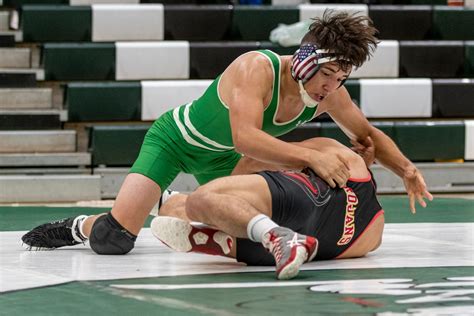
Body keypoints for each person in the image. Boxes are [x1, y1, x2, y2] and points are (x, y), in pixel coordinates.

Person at [21, 11, 431, 255]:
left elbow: (368, 134)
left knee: (247, 221)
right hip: (177, 141)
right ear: (305, 59)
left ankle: (169, 202)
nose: (331, 86)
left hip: (227, 162)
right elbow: (245, 138)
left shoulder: (330, 94)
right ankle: (81, 225)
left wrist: (407, 170)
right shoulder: (257, 67)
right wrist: (311, 156)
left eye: (341, 77)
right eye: (327, 74)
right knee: (115, 240)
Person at [152, 137, 384, 280]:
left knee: (199, 201)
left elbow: (253, 162)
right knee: (184, 208)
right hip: (320, 242)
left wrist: (227, 193)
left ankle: (272, 234)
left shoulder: (344, 155)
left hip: (298, 199)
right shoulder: (374, 237)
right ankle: (226, 237)